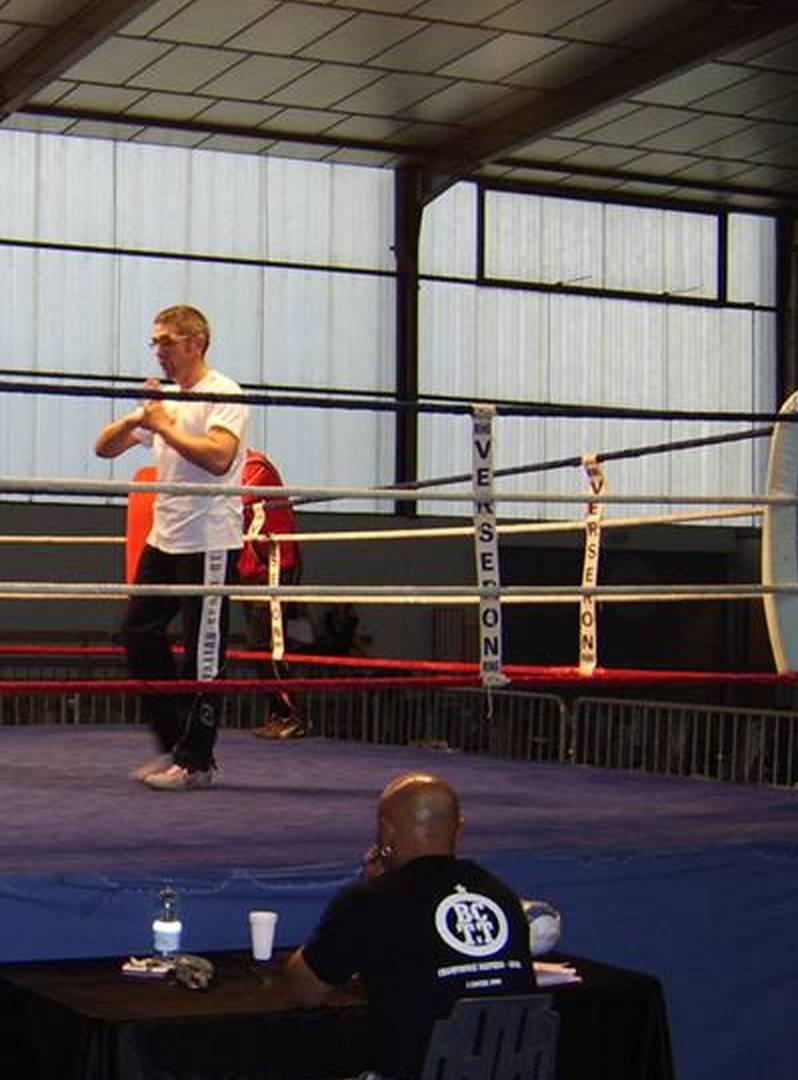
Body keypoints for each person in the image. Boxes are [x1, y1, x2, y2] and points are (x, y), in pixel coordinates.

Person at [285, 772, 535, 1080]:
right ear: (458, 830)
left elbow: (305, 991)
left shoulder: (369, 900)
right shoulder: (503, 896)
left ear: (386, 830)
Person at [93, 305, 248, 791]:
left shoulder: (224, 392)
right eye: (154, 342)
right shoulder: (166, 404)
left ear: (194, 342)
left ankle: (196, 762)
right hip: (165, 539)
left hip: (211, 542)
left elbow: (220, 458)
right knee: (138, 633)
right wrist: (142, 415)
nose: (158, 350)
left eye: (166, 341)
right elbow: (104, 447)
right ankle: (176, 743)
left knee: (203, 655)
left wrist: (161, 425)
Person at [240, 450, 306, 740]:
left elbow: (231, 500)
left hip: (274, 563)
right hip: (252, 566)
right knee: (256, 644)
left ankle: (292, 716)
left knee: (269, 641)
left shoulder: (256, 467)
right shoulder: (233, 468)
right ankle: (278, 713)